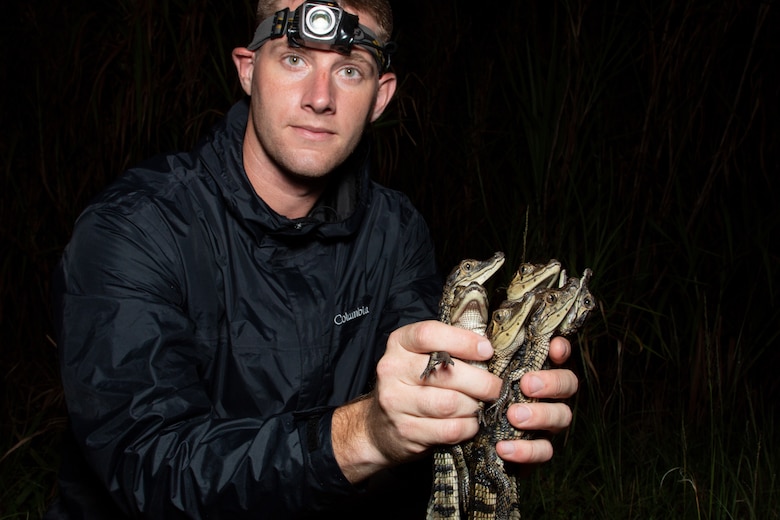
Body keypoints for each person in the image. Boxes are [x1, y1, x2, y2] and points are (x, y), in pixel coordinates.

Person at [45, 0, 579, 518]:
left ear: (380, 96)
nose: (319, 97)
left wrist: (487, 423)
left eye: (349, 70)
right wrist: (365, 433)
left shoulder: (395, 231)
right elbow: (151, 471)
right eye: (294, 58)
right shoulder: (133, 227)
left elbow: (416, 417)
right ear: (249, 70)